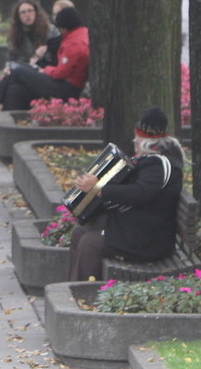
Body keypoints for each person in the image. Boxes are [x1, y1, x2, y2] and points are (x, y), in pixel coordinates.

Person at [67, 106, 185, 281]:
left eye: (137, 140)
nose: (134, 143)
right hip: (139, 224)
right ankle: (72, 285)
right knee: (80, 231)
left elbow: (139, 193)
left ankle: (85, 293)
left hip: (148, 238)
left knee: (90, 244)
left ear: (146, 142)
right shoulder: (157, 159)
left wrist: (98, 188)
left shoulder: (157, 165)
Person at [0, 5, 89, 119]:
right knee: (16, 90)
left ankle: (0, 107)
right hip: (63, 82)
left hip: (65, 88)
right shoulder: (80, 34)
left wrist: (43, 70)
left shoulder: (73, 43)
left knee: (17, 70)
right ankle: (6, 117)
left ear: (65, 27)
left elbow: (61, 73)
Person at [4, 0, 55, 70]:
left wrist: (39, 57)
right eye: (23, 12)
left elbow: (55, 55)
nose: (27, 14)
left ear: (36, 12)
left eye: (30, 11)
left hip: (45, 69)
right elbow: (11, 58)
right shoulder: (15, 33)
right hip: (23, 69)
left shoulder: (50, 30)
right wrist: (7, 68)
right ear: (18, 16)